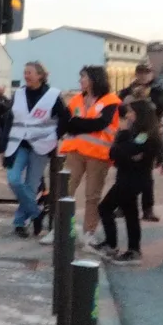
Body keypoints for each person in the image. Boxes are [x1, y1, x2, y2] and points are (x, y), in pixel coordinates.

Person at [57, 66, 122, 246]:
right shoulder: (76, 99)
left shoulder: (111, 100)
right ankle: (61, 229)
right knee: (66, 192)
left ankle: (89, 232)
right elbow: (65, 123)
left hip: (98, 154)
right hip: (75, 151)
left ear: (94, 79)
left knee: (92, 196)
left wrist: (76, 123)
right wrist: (78, 124)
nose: (80, 81)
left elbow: (101, 123)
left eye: (83, 77)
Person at [3, 62, 69, 238]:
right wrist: (4, 142)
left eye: (29, 72)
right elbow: (10, 119)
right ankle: (36, 213)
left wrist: (55, 136)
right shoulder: (18, 93)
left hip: (42, 145)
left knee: (31, 185)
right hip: (19, 144)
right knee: (14, 179)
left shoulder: (53, 95)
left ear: (40, 75)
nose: (26, 75)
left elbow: (65, 118)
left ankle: (19, 222)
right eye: (24, 72)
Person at [93, 101, 163, 264]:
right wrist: (125, 151)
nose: (128, 115)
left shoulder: (146, 135)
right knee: (130, 213)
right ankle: (131, 248)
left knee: (105, 208)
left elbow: (130, 153)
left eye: (131, 112)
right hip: (127, 177)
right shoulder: (133, 133)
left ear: (140, 114)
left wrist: (124, 150)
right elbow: (115, 153)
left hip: (133, 181)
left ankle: (115, 245)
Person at [120, 61, 163, 222]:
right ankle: (122, 205)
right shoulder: (127, 90)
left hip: (149, 133)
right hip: (130, 132)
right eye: (140, 72)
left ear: (152, 73)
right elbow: (119, 107)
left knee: (146, 175)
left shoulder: (158, 90)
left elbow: (162, 107)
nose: (142, 75)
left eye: (146, 72)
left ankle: (148, 209)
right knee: (124, 172)